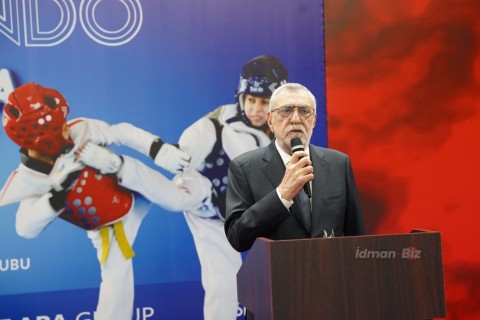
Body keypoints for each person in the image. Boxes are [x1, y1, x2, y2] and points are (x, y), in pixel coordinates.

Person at [0, 82, 211, 320]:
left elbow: (120, 132)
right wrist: (56, 196)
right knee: (115, 278)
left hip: (132, 182)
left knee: (178, 201)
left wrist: (158, 150)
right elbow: (24, 227)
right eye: (61, 128)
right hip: (109, 226)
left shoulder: (80, 129)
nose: (67, 130)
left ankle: (203, 185)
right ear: (41, 138)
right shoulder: (29, 179)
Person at [176, 55, 288, 320]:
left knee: (282, 279)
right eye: (251, 100)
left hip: (259, 212)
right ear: (240, 97)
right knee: (223, 285)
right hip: (213, 216)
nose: (256, 109)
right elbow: (182, 156)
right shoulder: (217, 123)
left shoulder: (287, 129)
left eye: (264, 102)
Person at [224, 82, 365, 254]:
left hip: (333, 274)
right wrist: (282, 195)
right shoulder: (244, 168)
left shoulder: (339, 163)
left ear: (313, 120)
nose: (296, 119)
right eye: (286, 111)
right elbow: (237, 238)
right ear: (270, 120)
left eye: (304, 111)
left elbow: (357, 235)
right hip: (278, 276)